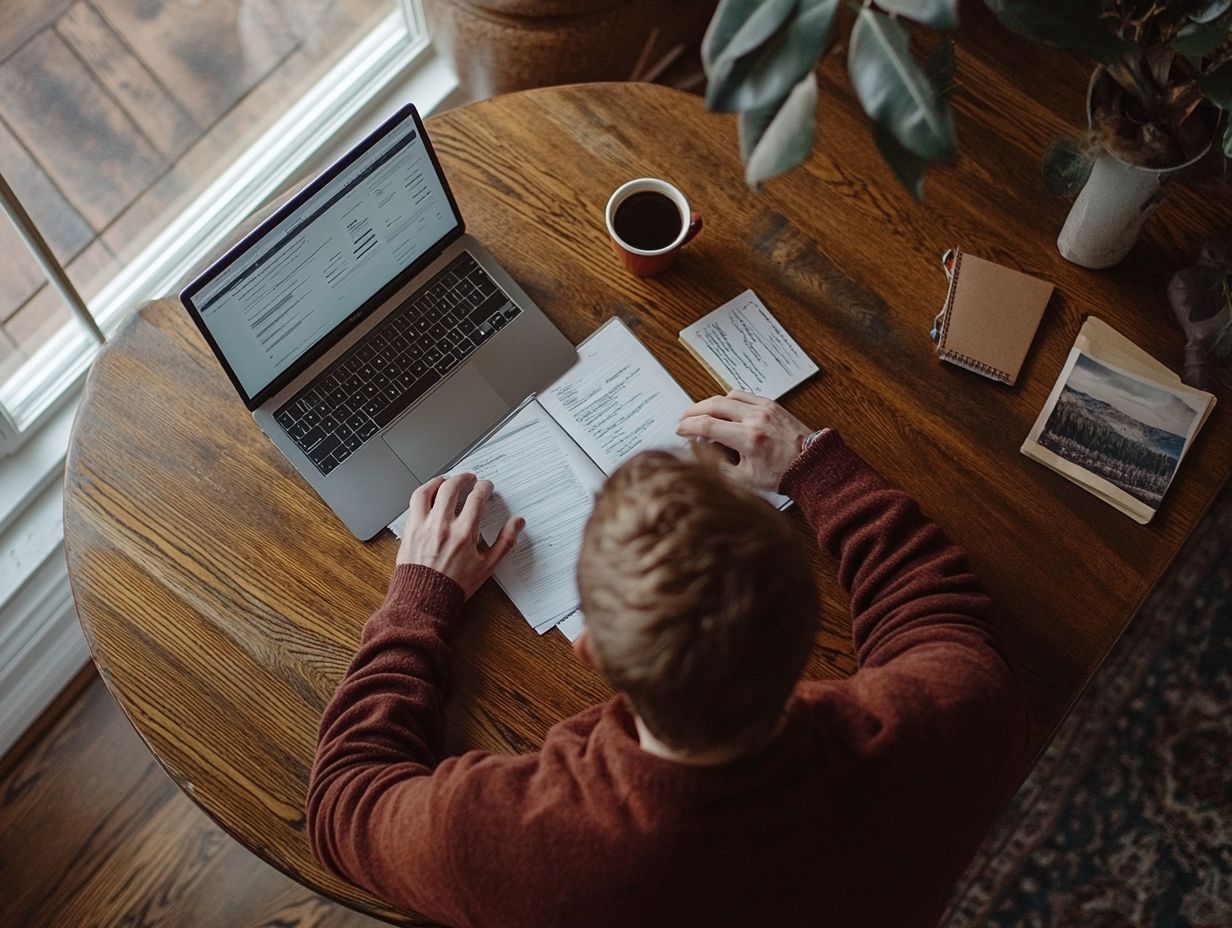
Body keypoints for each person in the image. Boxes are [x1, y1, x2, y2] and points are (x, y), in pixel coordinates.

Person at [307, 391, 1029, 928]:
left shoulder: (521, 846)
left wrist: (418, 604)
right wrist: (814, 468)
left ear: (592, 652)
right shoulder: (954, 722)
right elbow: (938, 614)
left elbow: (346, 803)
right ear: (806, 637)